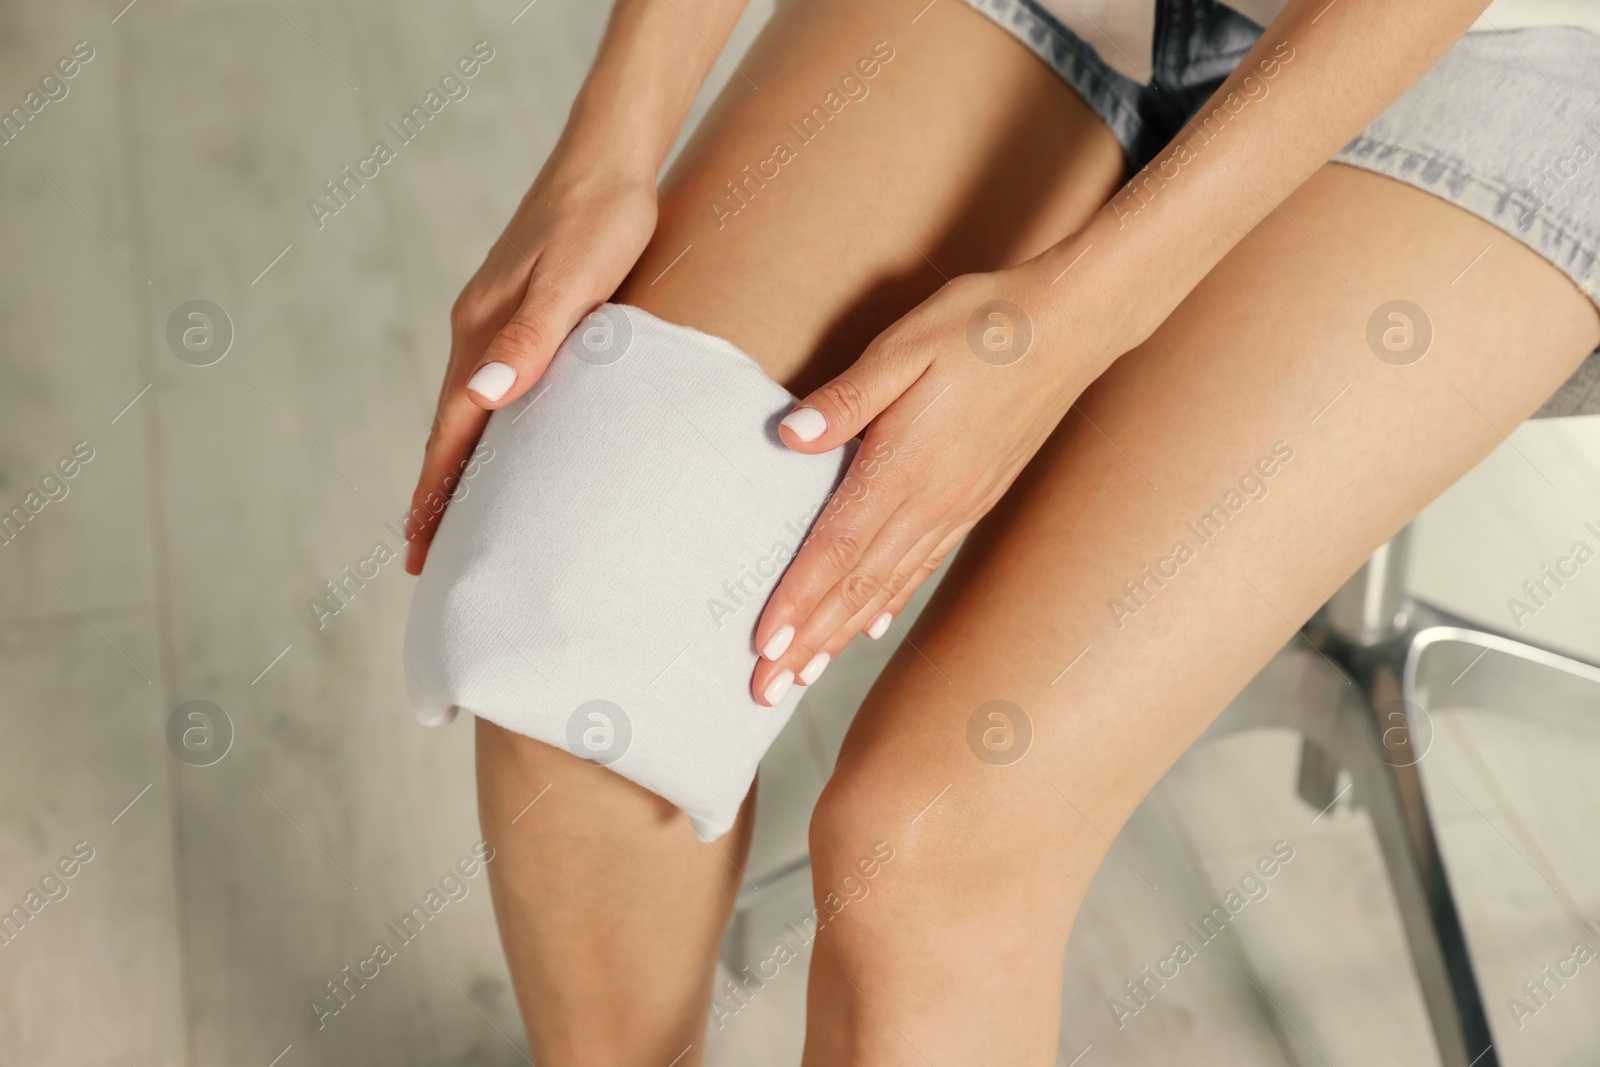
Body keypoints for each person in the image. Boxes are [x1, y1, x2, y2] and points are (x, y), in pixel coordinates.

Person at [404, 0, 1600, 1061]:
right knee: (581, 609)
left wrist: (1076, 317)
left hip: (1496, 46)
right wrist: (605, 150)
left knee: (925, 850)